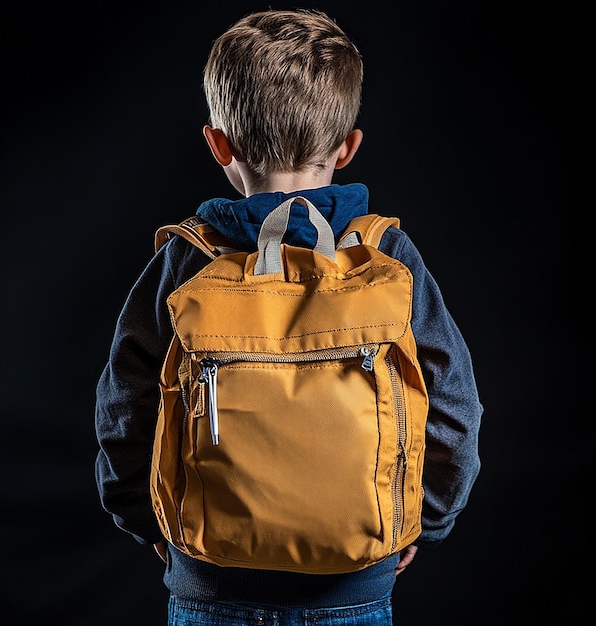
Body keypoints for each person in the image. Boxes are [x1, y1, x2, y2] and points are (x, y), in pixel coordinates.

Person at [95, 8, 483, 625]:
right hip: (354, 576)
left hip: (208, 576)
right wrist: (419, 520)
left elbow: (125, 406)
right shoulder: (384, 255)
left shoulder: (186, 260)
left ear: (218, 142)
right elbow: (455, 405)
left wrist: (147, 523)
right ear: (348, 146)